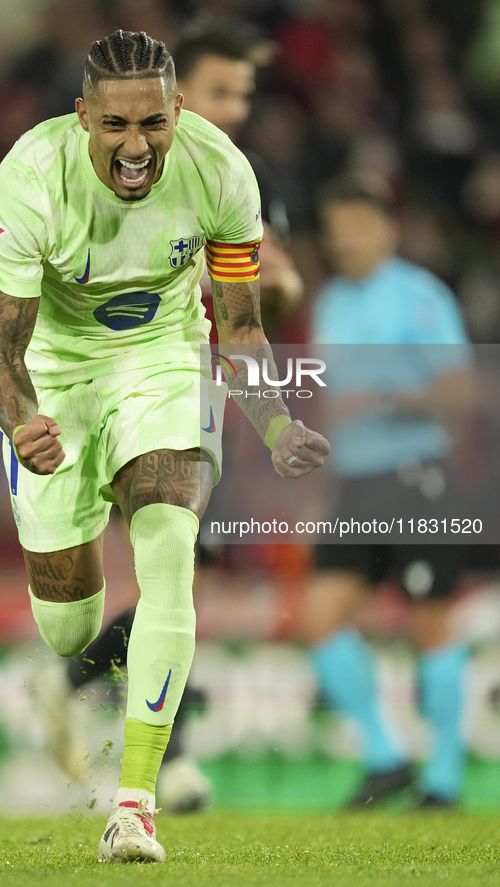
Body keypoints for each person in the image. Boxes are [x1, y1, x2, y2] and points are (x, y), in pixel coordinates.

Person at [0, 30, 329, 864]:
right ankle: (70, 669)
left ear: (176, 111)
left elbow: (240, 325)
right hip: (57, 378)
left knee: (171, 550)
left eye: (152, 125)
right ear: (83, 118)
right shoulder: (29, 181)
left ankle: (134, 806)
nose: (135, 148)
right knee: (70, 631)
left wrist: (276, 425)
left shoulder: (222, 171)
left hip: (163, 362)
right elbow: (3, 353)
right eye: (114, 127)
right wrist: (22, 421)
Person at [302, 175, 473, 809]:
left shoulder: (419, 297)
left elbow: (461, 391)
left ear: (387, 231)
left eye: (355, 225)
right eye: (335, 228)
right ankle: (385, 754)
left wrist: (389, 398)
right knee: (319, 618)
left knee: (429, 621)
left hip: (415, 475)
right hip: (355, 483)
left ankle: (446, 778)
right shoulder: (329, 305)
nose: (342, 238)